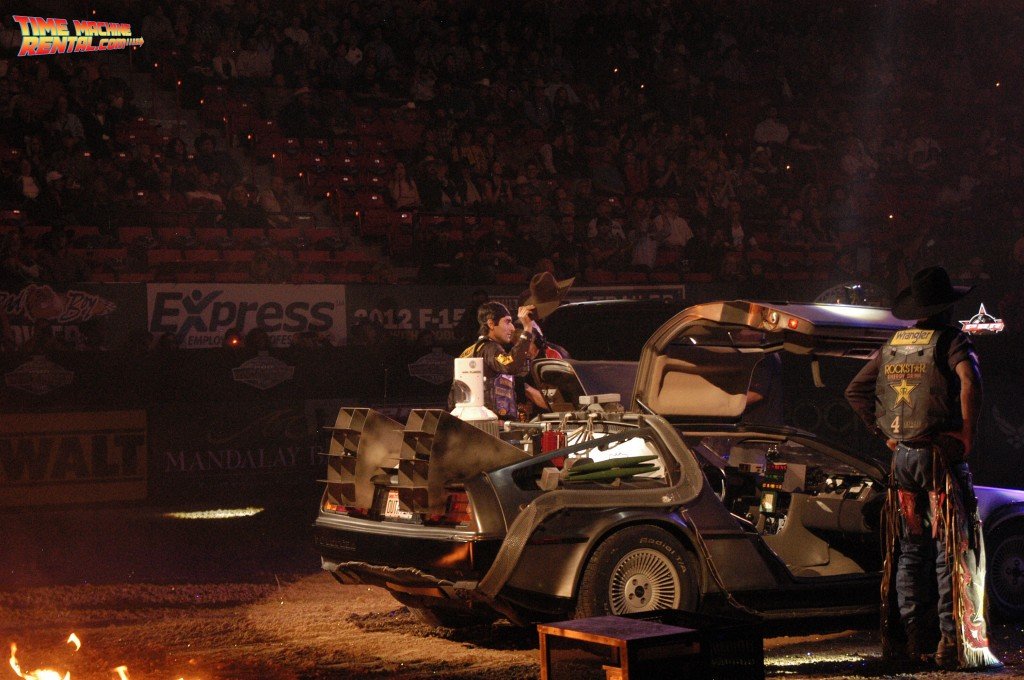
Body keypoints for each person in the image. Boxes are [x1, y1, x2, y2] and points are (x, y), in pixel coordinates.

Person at [844, 266, 1000, 671]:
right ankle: (950, 640)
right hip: (937, 457)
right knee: (951, 546)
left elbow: (855, 390)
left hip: (903, 462)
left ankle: (913, 639)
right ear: (946, 307)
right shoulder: (951, 340)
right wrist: (966, 433)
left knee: (911, 551)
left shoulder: (894, 343)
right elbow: (970, 381)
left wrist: (886, 435)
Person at [458, 301, 535, 420]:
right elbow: (511, 365)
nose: (513, 328)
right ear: (491, 324)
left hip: (468, 420)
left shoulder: (468, 351)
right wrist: (528, 329)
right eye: (507, 322)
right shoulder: (490, 347)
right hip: (490, 425)